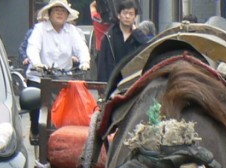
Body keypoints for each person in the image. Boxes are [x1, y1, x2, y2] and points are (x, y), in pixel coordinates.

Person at [24, 0, 91, 143]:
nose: (60, 13)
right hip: (40, 77)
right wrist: (37, 63)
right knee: (37, 105)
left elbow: (81, 48)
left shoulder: (72, 31)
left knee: (67, 110)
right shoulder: (40, 29)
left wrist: (85, 62)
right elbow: (33, 48)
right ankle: (35, 130)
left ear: (68, 15)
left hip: (63, 77)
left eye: (63, 11)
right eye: (56, 10)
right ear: (49, 13)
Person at [96, 0, 149, 83]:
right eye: (124, 13)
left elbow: (148, 48)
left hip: (134, 82)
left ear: (135, 17)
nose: (127, 16)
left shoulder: (139, 36)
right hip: (113, 83)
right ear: (118, 15)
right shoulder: (109, 36)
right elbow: (102, 65)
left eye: (131, 14)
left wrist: (136, 33)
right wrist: (102, 87)